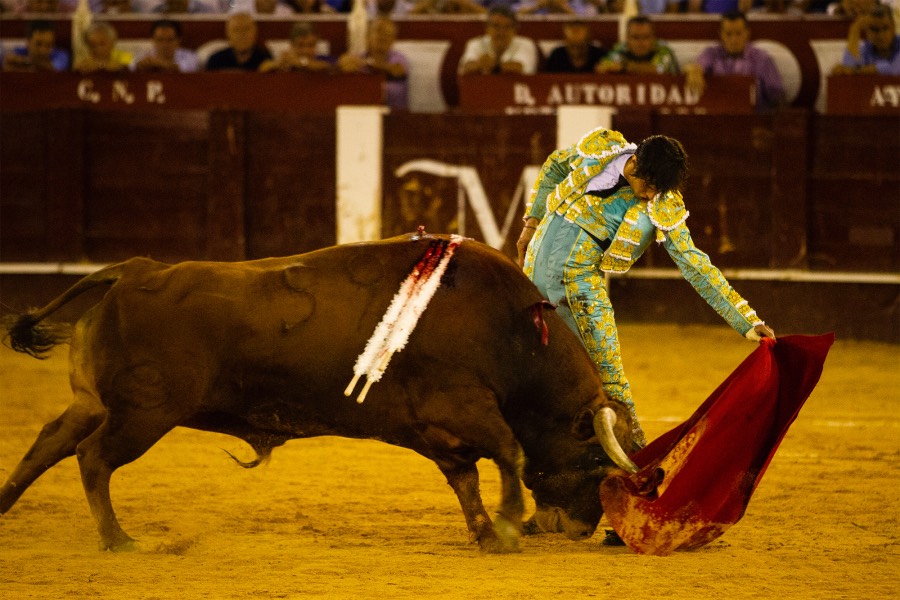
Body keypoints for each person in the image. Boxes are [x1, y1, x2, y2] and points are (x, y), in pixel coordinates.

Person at [517, 127, 776, 449]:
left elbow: (695, 265)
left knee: (610, 384)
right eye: (651, 186)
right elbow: (555, 164)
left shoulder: (662, 205)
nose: (653, 196)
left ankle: (636, 458)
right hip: (530, 284)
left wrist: (746, 321)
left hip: (579, 296)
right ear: (635, 164)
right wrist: (532, 222)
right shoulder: (599, 152)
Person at [684, 10, 786, 110]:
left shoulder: (761, 59)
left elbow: (777, 97)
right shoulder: (712, 53)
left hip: (754, 117)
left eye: (738, 33)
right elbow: (697, 66)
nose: (733, 40)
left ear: (747, 33)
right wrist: (694, 70)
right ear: (721, 34)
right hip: (718, 116)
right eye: (728, 34)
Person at [337, 16, 409, 111]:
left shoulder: (399, 58)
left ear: (393, 40)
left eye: (388, 34)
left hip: (394, 114)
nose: (383, 37)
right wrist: (342, 65)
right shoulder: (358, 57)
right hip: (361, 110)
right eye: (379, 31)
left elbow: (397, 70)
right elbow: (342, 65)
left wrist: (367, 63)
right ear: (367, 36)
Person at [458, 5, 539, 75]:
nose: (501, 32)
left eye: (507, 27)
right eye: (496, 26)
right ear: (487, 28)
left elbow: (520, 68)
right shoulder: (475, 43)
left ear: (515, 29)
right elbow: (465, 67)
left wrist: (493, 64)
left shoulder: (526, 44)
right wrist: (478, 64)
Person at [596, 15, 679, 75]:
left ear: (653, 38)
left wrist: (624, 67)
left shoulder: (663, 50)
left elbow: (659, 70)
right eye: (635, 37)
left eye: (646, 37)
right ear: (627, 38)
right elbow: (601, 67)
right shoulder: (621, 49)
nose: (641, 42)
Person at [831, 3, 900, 75]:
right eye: (874, 29)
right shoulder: (865, 49)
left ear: (893, 28)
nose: (881, 35)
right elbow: (848, 68)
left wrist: (857, 70)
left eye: (885, 28)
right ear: (867, 31)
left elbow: (893, 69)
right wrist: (855, 29)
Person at [205, 12, 272, 71]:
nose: (242, 34)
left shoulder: (265, 59)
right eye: (236, 30)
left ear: (255, 32)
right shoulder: (216, 61)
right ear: (228, 34)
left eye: (246, 29)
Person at [260, 21, 335, 73]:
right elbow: (262, 68)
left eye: (311, 45)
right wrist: (277, 64)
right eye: (300, 45)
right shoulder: (286, 61)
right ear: (292, 45)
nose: (305, 50)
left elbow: (332, 67)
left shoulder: (322, 59)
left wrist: (301, 62)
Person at [132, 18, 200, 72]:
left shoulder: (190, 57)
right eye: (160, 40)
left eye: (170, 40)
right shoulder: (143, 56)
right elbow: (131, 66)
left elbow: (185, 69)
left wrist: (159, 64)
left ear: (179, 40)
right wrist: (139, 66)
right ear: (153, 40)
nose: (164, 45)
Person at [2, 19, 70, 72]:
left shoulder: (61, 55)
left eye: (49, 45)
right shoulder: (17, 52)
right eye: (38, 44)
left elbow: (55, 69)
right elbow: (7, 64)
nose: (43, 50)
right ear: (28, 42)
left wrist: (26, 63)